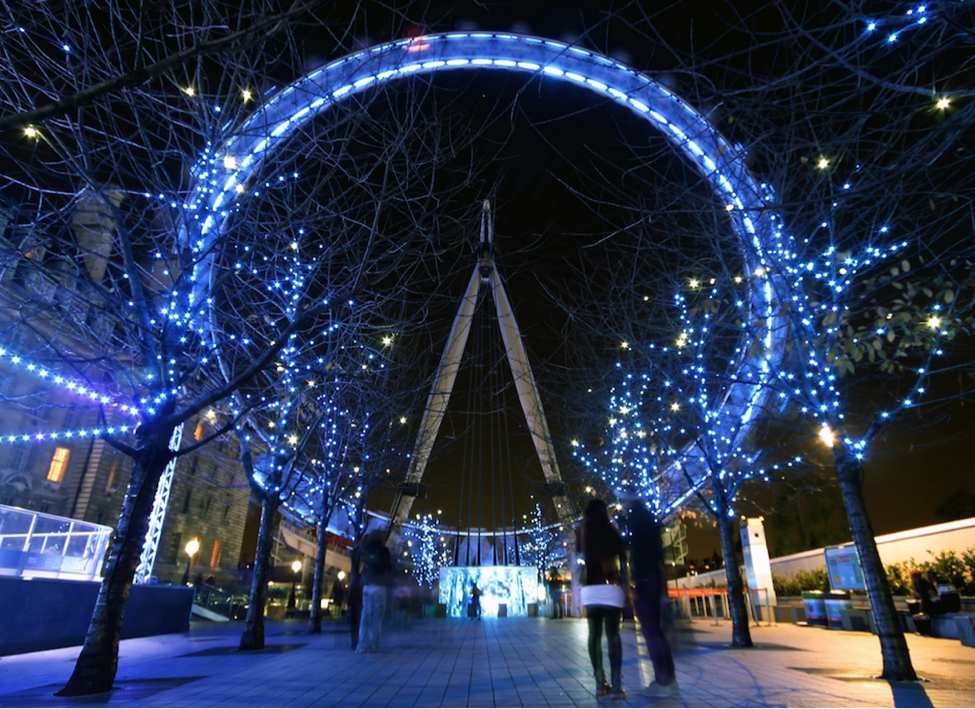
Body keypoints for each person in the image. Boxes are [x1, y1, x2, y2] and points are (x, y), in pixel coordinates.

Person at [576, 499, 628, 699]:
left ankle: (599, 682)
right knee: (613, 635)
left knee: (594, 635)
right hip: (610, 588)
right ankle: (616, 686)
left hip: (591, 589)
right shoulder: (610, 529)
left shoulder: (582, 532)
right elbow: (623, 556)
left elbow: (577, 559)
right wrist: (623, 579)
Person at [627, 500, 678, 698]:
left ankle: (663, 680)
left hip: (645, 580)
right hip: (655, 578)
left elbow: (640, 557)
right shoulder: (651, 525)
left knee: (651, 632)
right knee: (657, 631)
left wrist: (636, 583)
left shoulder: (638, 529)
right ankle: (668, 679)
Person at [356, 531, 393, 653]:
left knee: (365, 616)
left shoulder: (366, 550)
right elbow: (389, 567)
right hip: (380, 587)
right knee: (377, 618)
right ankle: (374, 644)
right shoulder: (384, 551)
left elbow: (359, 558)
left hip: (367, 586)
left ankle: (362, 645)